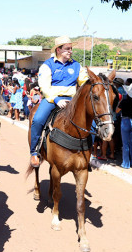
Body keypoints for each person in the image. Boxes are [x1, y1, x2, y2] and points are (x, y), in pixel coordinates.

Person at [29, 36, 88, 167]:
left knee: (93, 122)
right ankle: (34, 152)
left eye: (71, 48)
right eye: (67, 49)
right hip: (51, 99)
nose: (70, 51)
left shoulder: (77, 65)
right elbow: (44, 86)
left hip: (72, 100)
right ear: (58, 50)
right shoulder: (47, 65)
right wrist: (56, 99)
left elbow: (84, 83)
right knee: (37, 120)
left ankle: (87, 153)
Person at [115, 78, 132, 169]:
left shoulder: (124, 100)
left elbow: (117, 111)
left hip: (125, 121)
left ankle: (126, 163)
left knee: (125, 143)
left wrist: (119, 103)